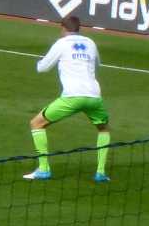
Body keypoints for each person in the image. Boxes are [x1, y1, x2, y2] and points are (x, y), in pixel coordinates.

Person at [25, 16, 112, 182]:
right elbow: (97, 64)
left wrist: (40, 63)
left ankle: (43, 169)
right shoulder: (90, 43)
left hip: (72, 96)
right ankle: (100, 173)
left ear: (63, 28)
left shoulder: (61, 43)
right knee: (103, 129)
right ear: (79, 28)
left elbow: (43, 68)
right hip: (94, 96)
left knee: (36, 124)